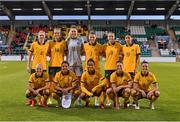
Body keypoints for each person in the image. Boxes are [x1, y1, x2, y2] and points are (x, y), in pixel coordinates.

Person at [47, 28, 67, 104]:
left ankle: (62, 98)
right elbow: (48, 52)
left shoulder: (64, 43)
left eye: (58, 33)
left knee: (60, 83)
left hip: (60, 66)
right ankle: (49, 98)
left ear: (60, 34)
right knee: (51, 83)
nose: (57, 34)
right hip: (52, 65)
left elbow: (66, 52)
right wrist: (53, 56)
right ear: (53, 34)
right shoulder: (50, 43)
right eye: (55, 33)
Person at [103, 32, 123, 106]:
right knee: (107, 86)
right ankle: (108, 100)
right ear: (107, 37)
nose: (111, 37)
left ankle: (117, 100)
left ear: (114, 37)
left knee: (116, 86)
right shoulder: (105, 46)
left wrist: (120, 59)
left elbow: (124, 52)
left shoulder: (118, 45)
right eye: (109, 36)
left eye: (112, 36)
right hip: (108, 68)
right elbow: (102, 53)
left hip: (116, 69)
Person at [83, 31, 103, 106]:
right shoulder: (85, 46)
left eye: (93, 37)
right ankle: (86, 100)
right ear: (88, 38)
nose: (92, 38)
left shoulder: (99, 46)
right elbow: (82, 52)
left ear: (95, 38)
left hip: (96, 68)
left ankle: (96, 100)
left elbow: (103, 53)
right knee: (86, 84)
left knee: (96, 84)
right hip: (87, 68)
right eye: (90, 37)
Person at [66, 25, 84, 106]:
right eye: (72, 31)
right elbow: (65, 50)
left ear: (76, 32)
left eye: (74, 31)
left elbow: (83, 50)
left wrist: (78, 56)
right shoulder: (67, 40)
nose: (73, 33)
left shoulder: (80, 40)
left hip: (78, 64)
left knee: (79, 83)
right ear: (70, 32)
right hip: (69, 65)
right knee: (71, 83)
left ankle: (79, 99)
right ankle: (70, 99)